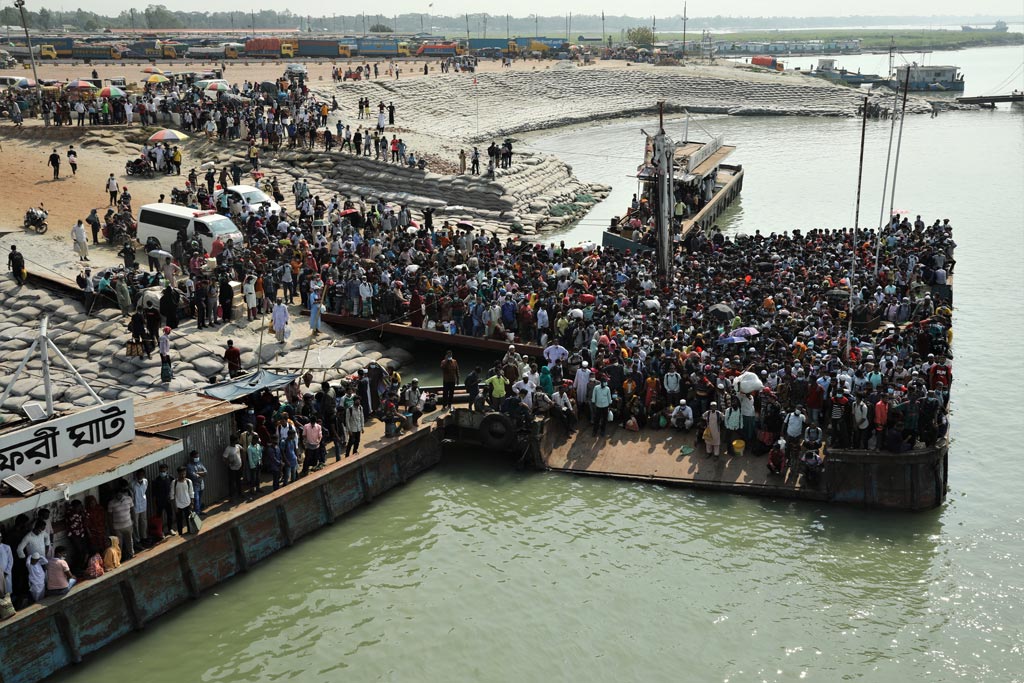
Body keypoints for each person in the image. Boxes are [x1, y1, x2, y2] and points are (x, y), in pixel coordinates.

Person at [108, 486, 135, 560]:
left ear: (122, 493)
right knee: (119, 544)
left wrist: (133, 520)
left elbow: (132, 510)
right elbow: (109, 516)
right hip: (117, 527)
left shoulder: (129, 499)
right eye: (116, 495)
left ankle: (131, 554)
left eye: (119, 494)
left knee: (129, 541)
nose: (118, 496)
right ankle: (119, 558)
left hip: (128, 525)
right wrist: (111, 527)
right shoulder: (111, 503)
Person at [152, 463, 175, 537]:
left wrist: (172, 498)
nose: (163, 472)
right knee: (159, 517)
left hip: (168, 501)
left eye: (164, 471)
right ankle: (161, 531)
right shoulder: (156, 481)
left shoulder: (171, 478)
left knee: (170, 515)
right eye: (161, 471)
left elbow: (174, 488)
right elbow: (154, 494)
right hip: (159, 502)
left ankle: (170, 529)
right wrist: (155, 504)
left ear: (167, 470)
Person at [172, 467, 194, 535]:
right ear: (178, 474)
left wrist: (192, 503)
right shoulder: (174, 482)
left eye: (184, 474)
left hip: (187, 503)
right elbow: (172, 496)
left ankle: (190, 531)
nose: (183, 476)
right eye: (181, 474)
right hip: (178, 505)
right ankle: (180, 533)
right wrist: (175, 507)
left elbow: (191, 493)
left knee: (189, 519)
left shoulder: (188, 481)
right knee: (179, 521)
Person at [129, 469, 148, 547]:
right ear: (136, 475)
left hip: (143, 505)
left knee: (143, 522)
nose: (140, 476)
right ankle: (137, 540)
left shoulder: (145, 481)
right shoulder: (132, 484)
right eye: (139, 474)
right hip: (135, 506)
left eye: (142, 474)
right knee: (135, 524)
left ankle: (144, 537)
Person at [186, 450, 207, 514]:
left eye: (198, 456)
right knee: (196, 499)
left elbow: (206, 472)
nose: (197, 458)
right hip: (194, 485)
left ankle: (199, 511)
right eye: (195, 457)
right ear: (192, 457)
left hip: (201, 484)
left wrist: (198, 473)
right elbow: (194, 476)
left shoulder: (199, 463)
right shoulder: (189, 466)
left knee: (200, 498)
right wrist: (201, 474)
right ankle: (196, 512)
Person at [0, 528, 12, 597]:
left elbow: (11, 560)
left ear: (1, 538)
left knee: (7, 590)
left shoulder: (6, 547)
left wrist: (7, 572)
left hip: (6, 572)